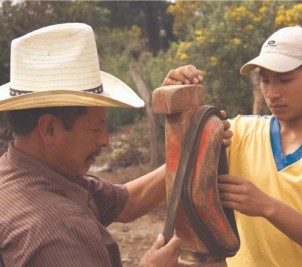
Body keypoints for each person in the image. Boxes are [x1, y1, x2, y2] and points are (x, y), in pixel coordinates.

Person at [162, 26, 302, 267]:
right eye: (265, 80)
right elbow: (184, 152)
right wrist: (177, 98)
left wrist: (266, 206)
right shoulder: (238, 132)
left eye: (285, 80)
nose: (272, 93)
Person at [0, 23, 187, 267]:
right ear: (50, 129)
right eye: (96, 128)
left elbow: (128, 202)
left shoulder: (24, 172)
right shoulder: (59, 229)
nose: (106, 140)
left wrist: (189, 147)